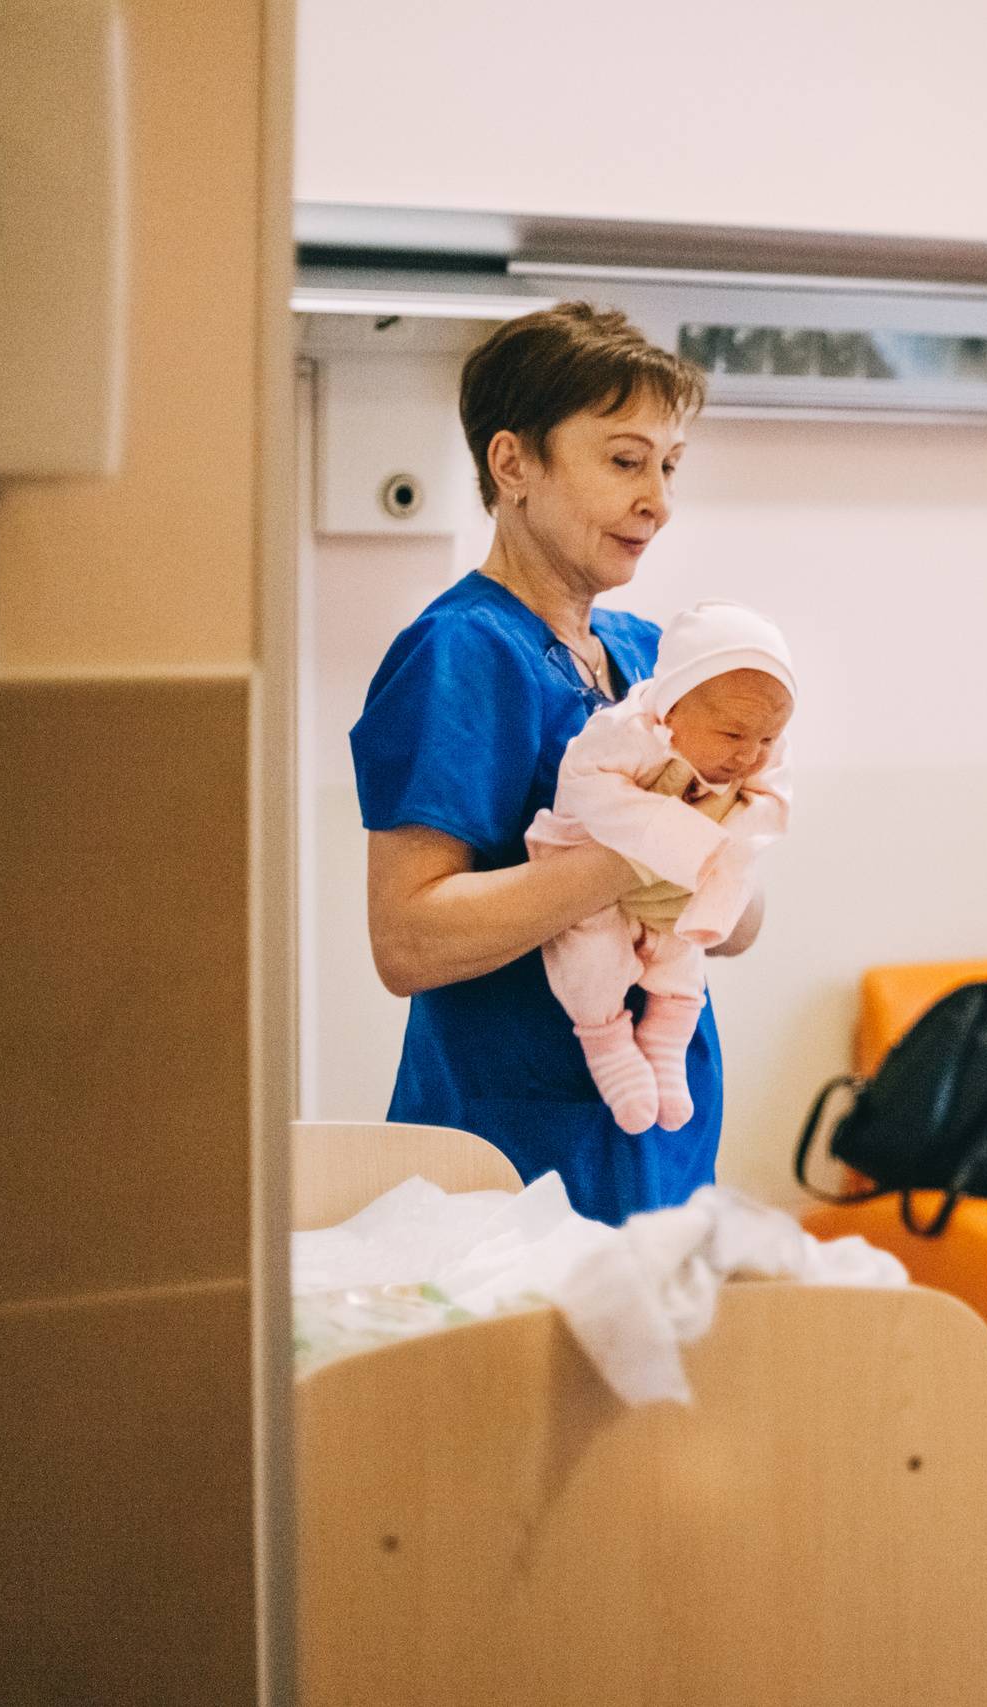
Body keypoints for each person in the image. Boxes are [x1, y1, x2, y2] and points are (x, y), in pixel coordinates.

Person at [351, 302, 738, 1225]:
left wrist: (735, 841)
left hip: (661, 1124)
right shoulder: (460, 654)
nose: (659, 501)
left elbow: (737, 918)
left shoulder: (651, 656)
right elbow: (407, 939)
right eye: (625, 460)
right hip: (520, 1149)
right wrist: (640, 848)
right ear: (513, 462)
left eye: (669, 466)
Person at [526, 602, 794, 1136]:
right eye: (733, 736)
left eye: (768, 738)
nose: (750, 757)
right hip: (589, 861)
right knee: (591, 952)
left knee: (681, 949)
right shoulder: (624, 731)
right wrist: (684, 838)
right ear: (672, 713)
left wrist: (724, 866)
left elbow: (772, 804)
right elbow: (590, 789)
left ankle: (666, 1037)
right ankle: (606, 1040)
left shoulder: (750, 731)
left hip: (684, 880)